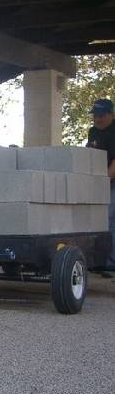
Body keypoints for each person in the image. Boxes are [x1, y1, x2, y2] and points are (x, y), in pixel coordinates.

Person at [86, 98, 115, 272]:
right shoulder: (93, 132)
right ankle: (97, 259)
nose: (97, 119)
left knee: (110, 218)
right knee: (95, 219)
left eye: (102, 115)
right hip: (100, 182)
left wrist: (102, 181)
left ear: (111, 114)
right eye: (95, 115)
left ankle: (111, 263)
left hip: (111, 181)